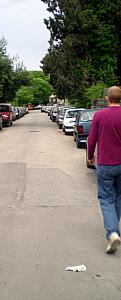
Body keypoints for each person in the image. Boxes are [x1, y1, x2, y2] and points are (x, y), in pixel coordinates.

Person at [88, 86, 121, 254]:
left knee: (106, 198)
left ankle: (113, 232)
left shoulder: (99, 115)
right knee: (118, 196)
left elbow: (92, 138)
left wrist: (90, 156)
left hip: (106, 164)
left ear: (107, 98)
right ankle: (114, 227)